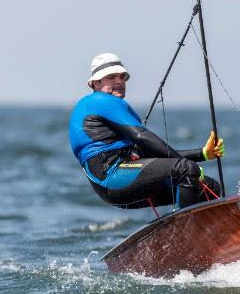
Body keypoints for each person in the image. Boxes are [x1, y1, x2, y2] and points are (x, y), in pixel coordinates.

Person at [69, 53, 224, 210]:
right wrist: (189, 166)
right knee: (186, 170)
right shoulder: (100, 101)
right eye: (111, 77)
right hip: (113, 177)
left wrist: (202, 154)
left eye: (122, 77)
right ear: (96, 83)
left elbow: (149, 152)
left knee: (209, 186)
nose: (119, 81)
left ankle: (203, 231)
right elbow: (142, 137)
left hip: (120, 180)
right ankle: (186, 229)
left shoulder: (108, 108)